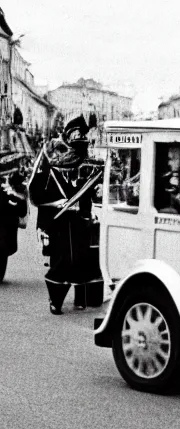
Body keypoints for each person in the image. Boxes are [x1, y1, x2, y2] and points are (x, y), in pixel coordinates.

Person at [27, 116, 104, 314]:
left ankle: (81, 298)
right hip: (56, 219)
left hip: (79, 219)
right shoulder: (50, 157)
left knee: (83, 258)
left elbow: (87, 190)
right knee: (62, 261)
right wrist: (54, 203)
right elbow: (34, 193)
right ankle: (55, 300)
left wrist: (92, 205)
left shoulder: (85, 160)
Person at [0, 162, 28, 283]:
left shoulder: (16, 186)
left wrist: (13, 193)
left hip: (6, 225)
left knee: (3, 249)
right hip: (6, 224)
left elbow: (22, 211)